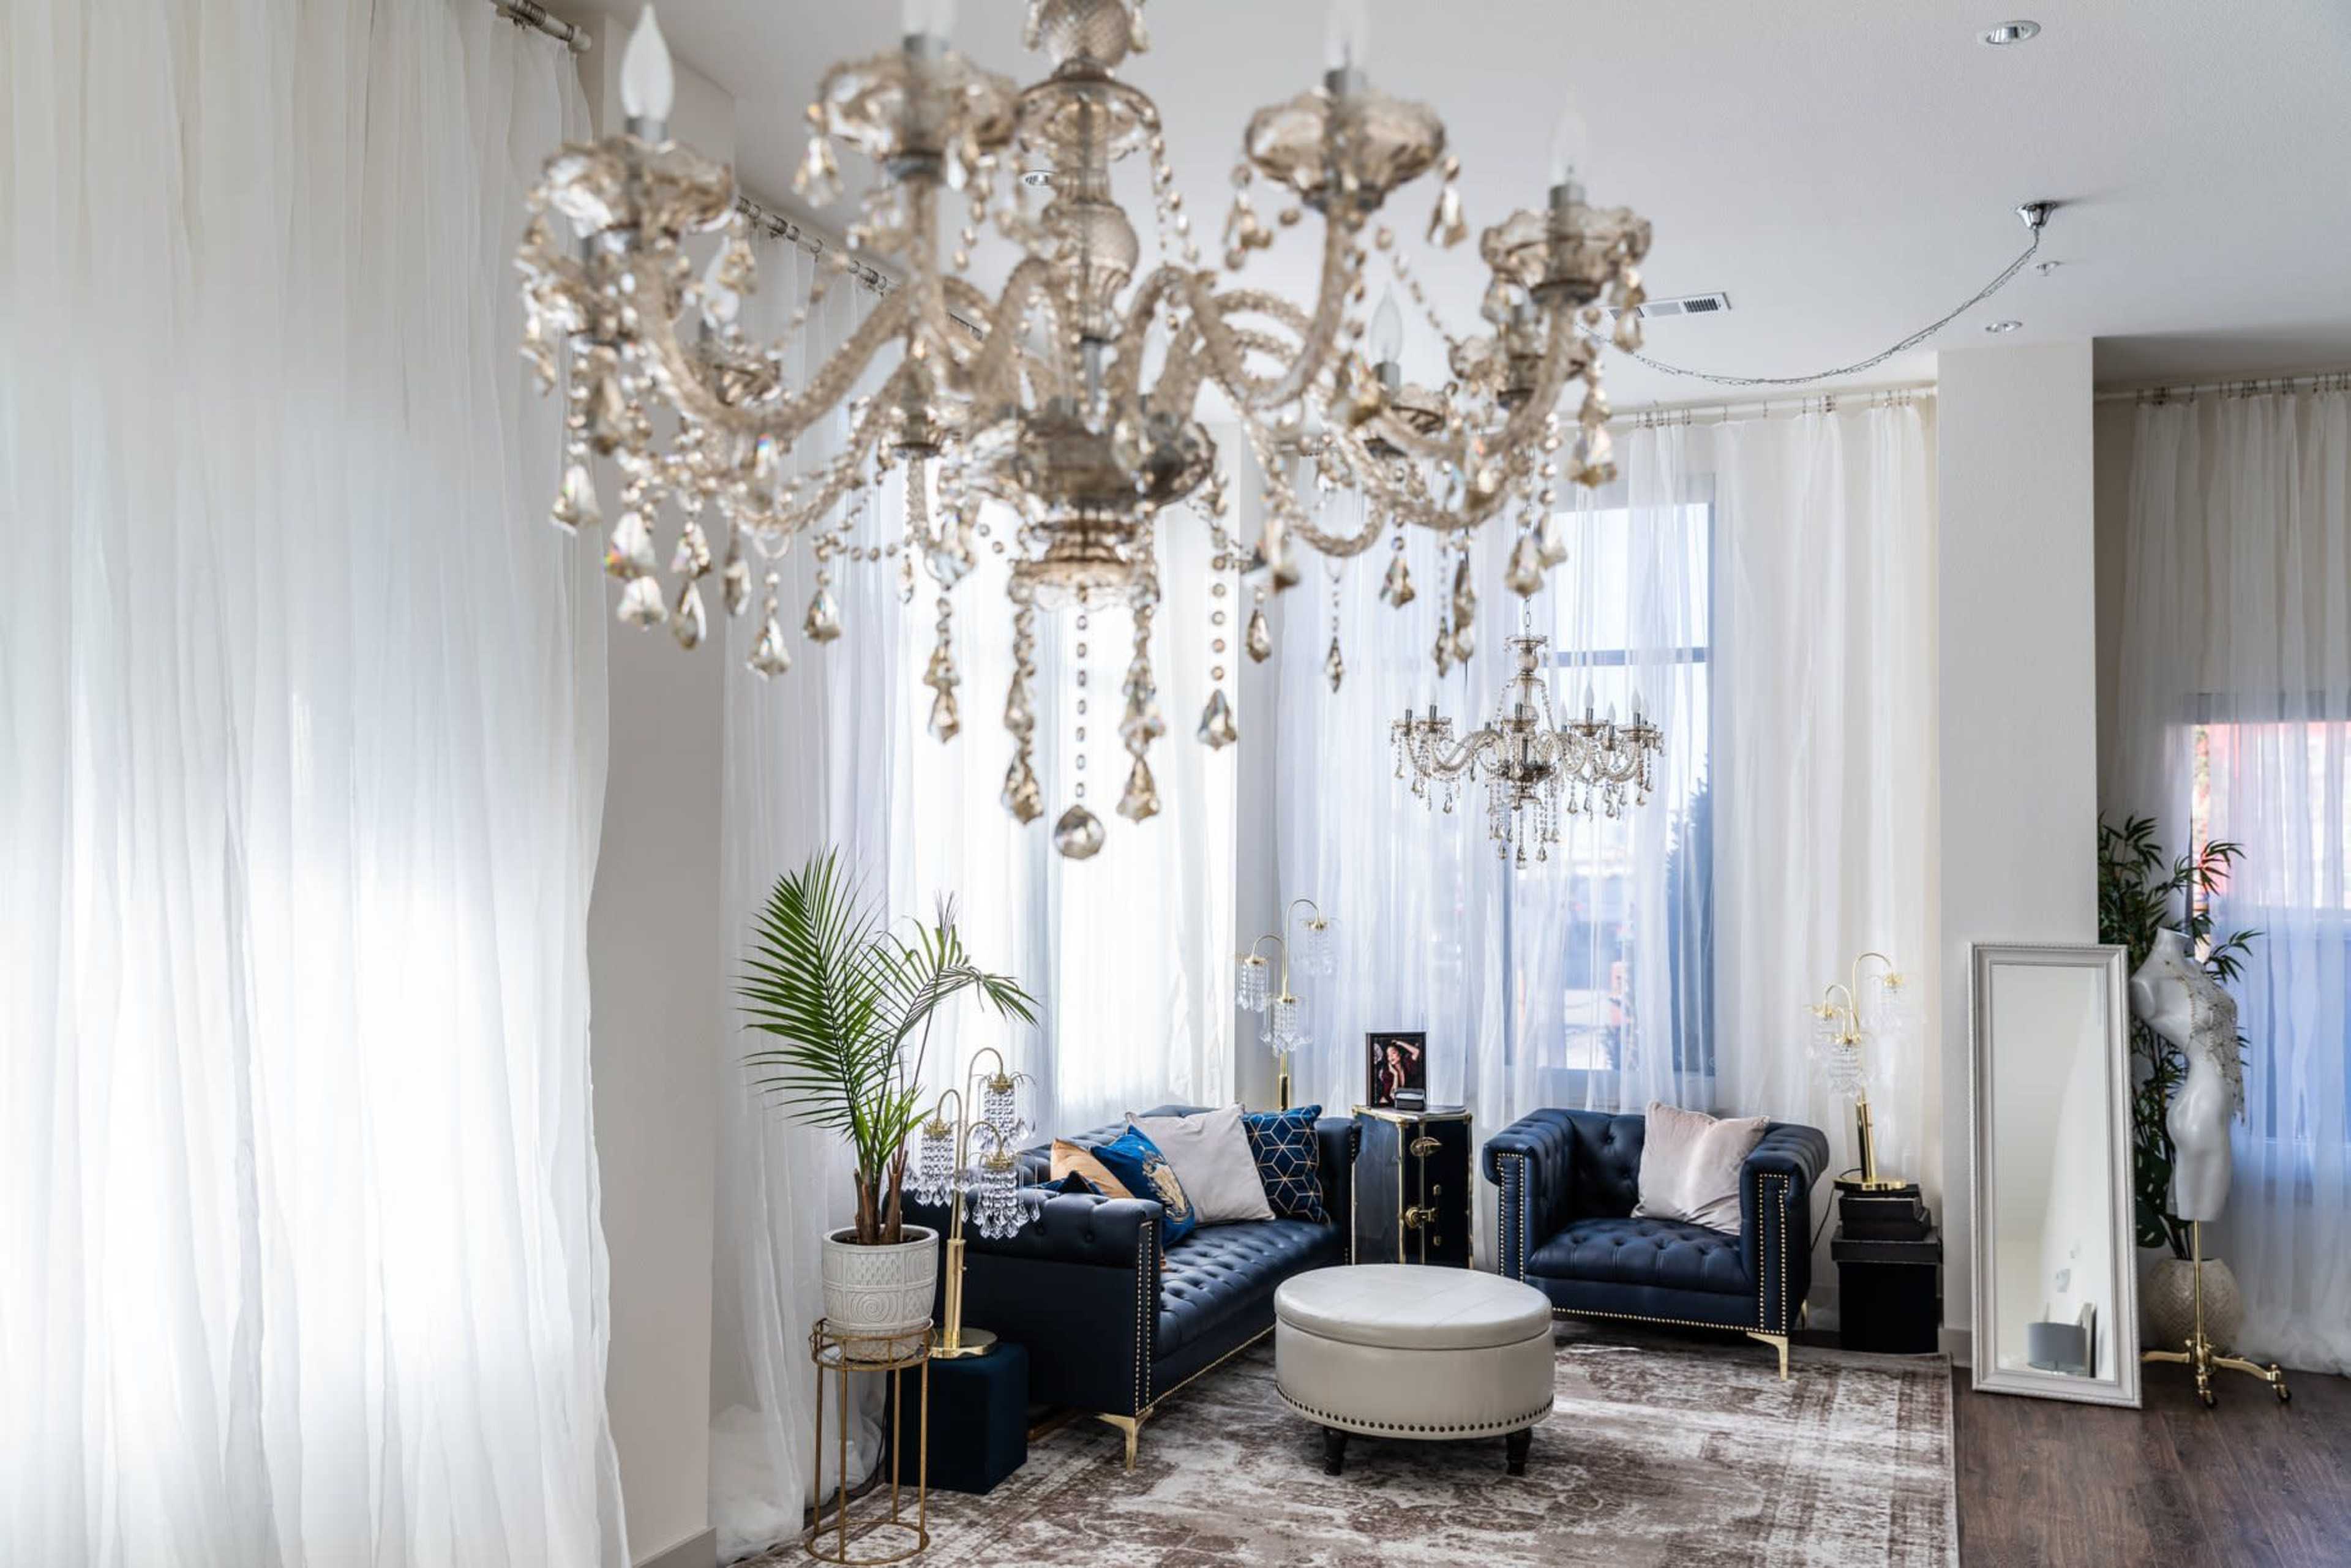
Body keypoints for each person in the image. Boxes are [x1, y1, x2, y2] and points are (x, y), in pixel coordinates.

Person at [1373, 1037, 1423, 1106]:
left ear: (1400, 1054)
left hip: (1403, 1104)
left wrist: (1400, 1043)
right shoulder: (1387, 1073)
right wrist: (1396, 1075)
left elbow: (1417, 1052)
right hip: (1387, 1105)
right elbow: (1394, 1096)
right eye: (1388, 1055)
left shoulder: (1407, 1064)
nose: (1391, 1057)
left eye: (1393, 1053)